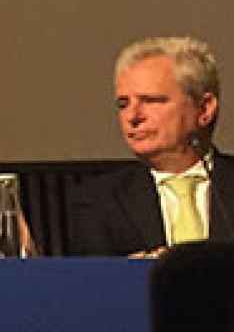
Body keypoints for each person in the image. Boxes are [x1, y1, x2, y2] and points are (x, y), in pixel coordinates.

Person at [70, 36, 231, 255]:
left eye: (151, 100)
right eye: (123, 104)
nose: (133, 116)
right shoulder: (97, 202)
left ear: (204, 109)